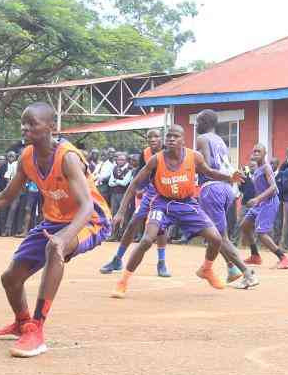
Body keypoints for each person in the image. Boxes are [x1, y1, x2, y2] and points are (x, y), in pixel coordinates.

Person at [0, 103, 110, 358]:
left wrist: (64, 239)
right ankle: (22, 322)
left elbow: (86, 206)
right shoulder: (27, 157)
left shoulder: (68, 157)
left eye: (32, 123)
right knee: (10, 279)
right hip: (54, 220)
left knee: (54, 248)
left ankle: (37, 330)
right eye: (23, 124)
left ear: (51, 127)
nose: (25, 128)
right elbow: (6, 196)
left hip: (90, 220)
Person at [110, 125, 244, 298]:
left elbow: (209, 172)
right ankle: (123, 281)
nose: (171, 139)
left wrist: (229, 177)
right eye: (169, 136)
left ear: (183, 140)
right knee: (146, 240)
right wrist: (121, 212)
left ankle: (206, 269)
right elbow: (134, 184)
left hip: (187, 203)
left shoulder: (194, 157)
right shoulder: (156, 160)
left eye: (175, 136)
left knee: (216, 238)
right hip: (162, 204)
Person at [195, 110, 258, 289]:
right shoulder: (221, 141)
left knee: (220, 237)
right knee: (216, 234)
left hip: (211, 188)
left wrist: (189, 163)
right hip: (226, 188)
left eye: (197, 122)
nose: (196, 125)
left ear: (205, 122)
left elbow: (206, 164)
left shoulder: (202, 139)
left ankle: (248, 273)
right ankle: (231, 268)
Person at [100, 129, 171, 277]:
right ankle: (117, 259)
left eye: (156, 136)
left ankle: (162, 262)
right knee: (133, 223)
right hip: (150, 193)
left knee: (161, 227)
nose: (153, 139)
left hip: (165, 194)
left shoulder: (170, 152)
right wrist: (140, 188)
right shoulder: (145, 154)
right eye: (149, 137)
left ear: (162, 138)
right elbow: (139, 177)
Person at [241, 144, 288, 269]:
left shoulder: (266, 168)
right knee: (245, 225)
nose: (255, 153)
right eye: (254, 151)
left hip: (269, 202)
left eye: (258, 151)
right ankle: (255, 256)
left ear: (264, 154)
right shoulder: (256, 169)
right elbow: (259, 187)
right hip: (260, 203)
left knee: (261, 233)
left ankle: (283, 258)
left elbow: (273, 188)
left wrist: (257, 199)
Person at [107, 152, 132, 240]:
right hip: (114, 194)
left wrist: (116, 181)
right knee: (114, 213)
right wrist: (118, 181)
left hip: (124, 195)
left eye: (122, 160)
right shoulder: (114, 169)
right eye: (118, 159)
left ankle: (123, 235)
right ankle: (114, 234)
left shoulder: (129, 169)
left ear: (126, 161)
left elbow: (125, 183)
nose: (120, 161)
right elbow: (110, 183)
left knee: (124, 214)